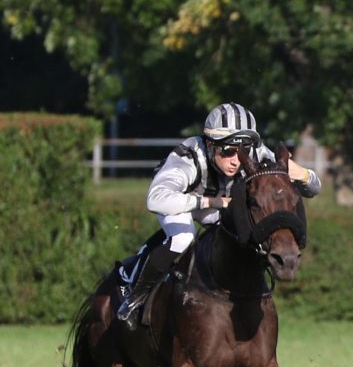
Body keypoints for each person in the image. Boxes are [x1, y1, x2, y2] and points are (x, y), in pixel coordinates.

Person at [116, 102, 322, 328]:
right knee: (184, 237)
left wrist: (303, 174)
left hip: (220, 204)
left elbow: (313, 189)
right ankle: (134, 294)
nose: (236, 159)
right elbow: (154, 200)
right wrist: (212, 202)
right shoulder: (188, 157)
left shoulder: (257, 152)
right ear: (209, 144)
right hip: (180, 201)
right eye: (228, 151)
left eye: (243, 149)